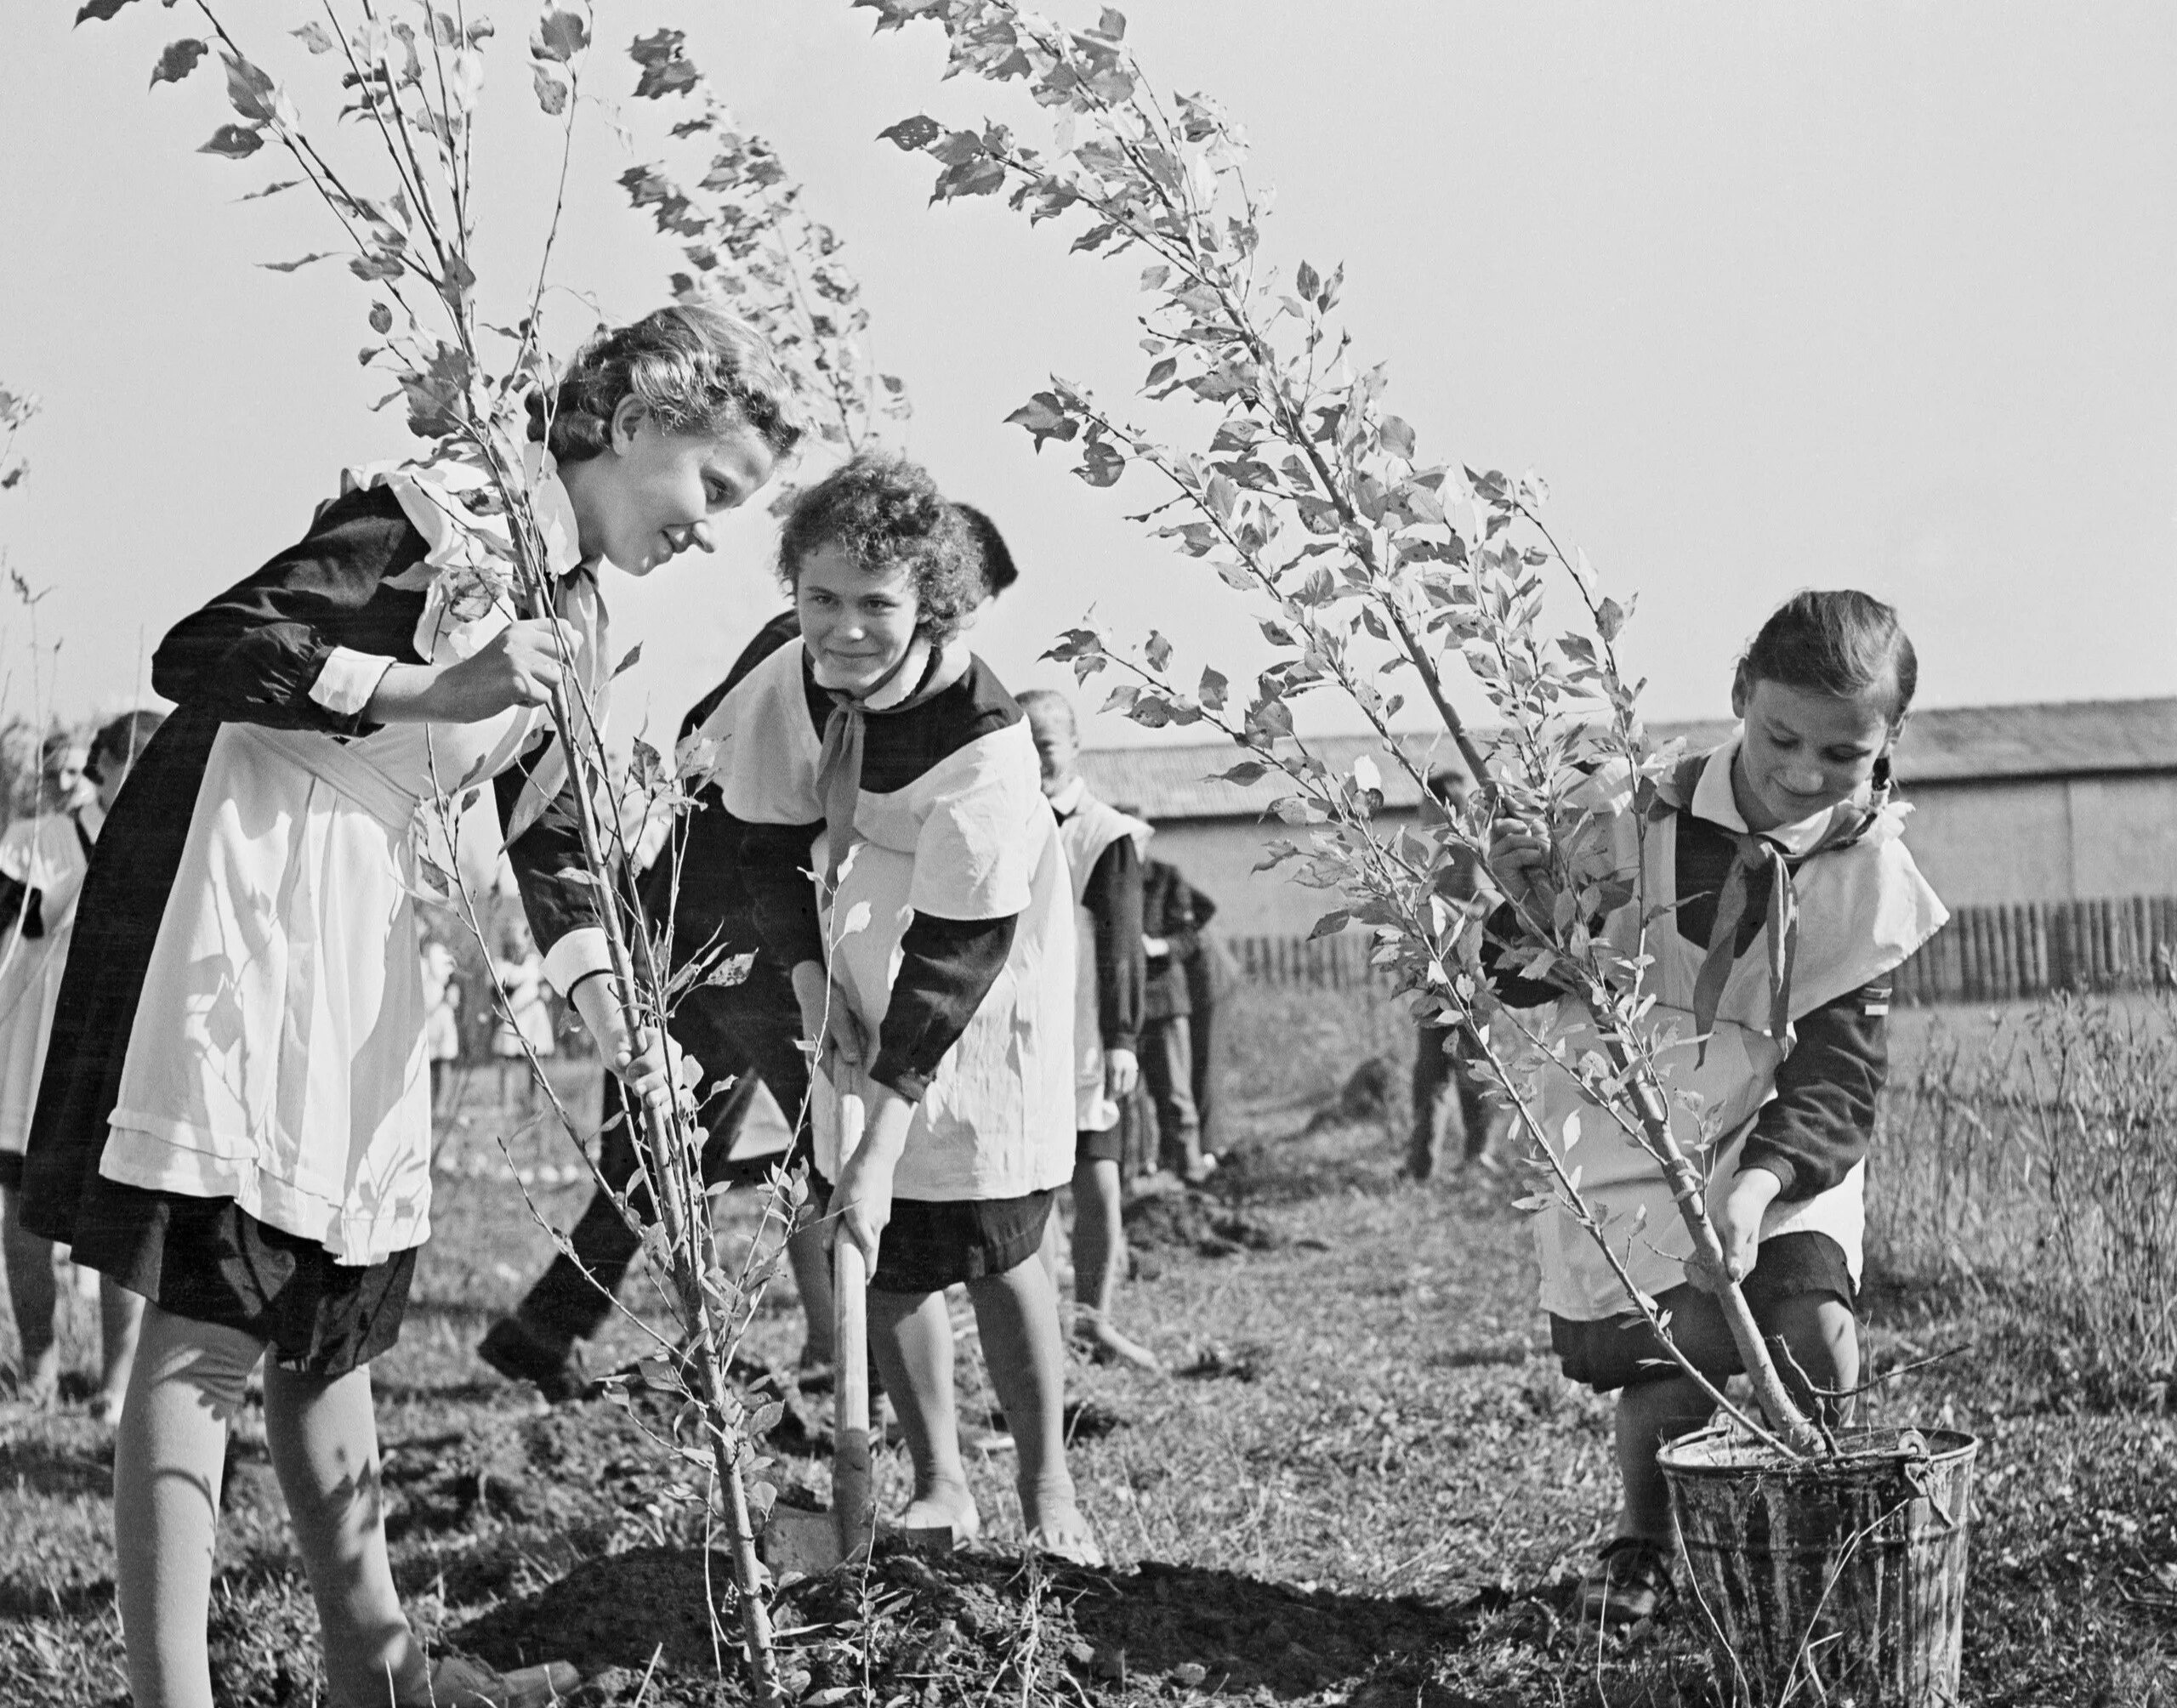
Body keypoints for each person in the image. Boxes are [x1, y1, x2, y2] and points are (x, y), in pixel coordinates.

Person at [18, 304, 799, 1708]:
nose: (711, 529)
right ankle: (165, 1688)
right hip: (246, 892)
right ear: (630, 429)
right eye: (712, 488)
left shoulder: (576, 608)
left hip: (367, 926)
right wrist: (428, 681)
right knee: (214, 1312)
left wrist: (624, 1027)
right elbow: (206, 646)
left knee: (336, 1315)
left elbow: (550, 837)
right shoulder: (442, 518)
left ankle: (374, 1664)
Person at [476, 503, 1020, 1404]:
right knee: (827, 1143)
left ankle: (547, 1328)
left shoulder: (850, 648)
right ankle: (850, 1365)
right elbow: (709, 756)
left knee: (666, 1154)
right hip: (743, 943)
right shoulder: (809, 656)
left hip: (695, 930)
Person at [1486, 589, 1947, 1628]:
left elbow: (1836, 1074)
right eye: (1782, 735)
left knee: (1811, 1321)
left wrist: (1758, 1185)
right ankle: (1646, 1538)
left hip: (1781, 1135)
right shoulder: (1625, 812)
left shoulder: (1866, 868)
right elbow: (1524, 976)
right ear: (1740, 694)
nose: (1804, 771)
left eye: (1842, 752)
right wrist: (1525, 911)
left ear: (1887, 743)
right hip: (1636, 1112)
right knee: (1678, 1348)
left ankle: (1816, 1536)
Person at [706, 453, 1098, 1563]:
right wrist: (809, 997)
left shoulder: (984, 744)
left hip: (981, 982)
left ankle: (1047, 1488)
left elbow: (955, 960)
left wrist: (880, 1136)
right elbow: (769, 841)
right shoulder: (788, 682)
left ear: (934, 602)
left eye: (877, 605)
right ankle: (939, 1482)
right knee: (890, 1251)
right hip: (849, 957)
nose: (844, 629)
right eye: (819, 599)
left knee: (990, 1222)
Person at [0, 716, 161, 1421]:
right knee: (26, 1207)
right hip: (35, 1051)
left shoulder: (170, 842)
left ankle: (115, 1381)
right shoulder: (38, 840)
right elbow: (15, 934)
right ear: (103, 766)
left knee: (119, 1211)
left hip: (124, 1046)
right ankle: (38, 1365)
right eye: (136, 762)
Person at [1017, 690, 1157, 1371]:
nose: (1037, 755)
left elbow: (1122, 945)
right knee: (1028, 1188)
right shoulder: (1003, 820)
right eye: (1023, 743)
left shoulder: (1105, 832)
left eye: (1046, 742)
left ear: (1074, 745)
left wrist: (1123, 1036)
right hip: (1013, 1031)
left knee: (1096, 1175)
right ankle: (1044, 1331)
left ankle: (1094, 1321)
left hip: (1079, 1030)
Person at [1407, 766, 1499, 1180]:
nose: (1419, 809)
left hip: (1467, 981)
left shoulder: (1469, 852)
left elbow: (1489, 907)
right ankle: (1420, 1165)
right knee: (1429, 1074)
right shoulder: (1442, 853)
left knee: (1472, 1074)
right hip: (1437, 978)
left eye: (1425, 801)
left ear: (1443, 805)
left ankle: (1477, 1158)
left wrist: (1441, 909)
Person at [1137, 854, 1218, 1183]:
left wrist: (1159, 947)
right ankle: (1144, 1173)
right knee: (1131, 1099)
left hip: (1166, 1001)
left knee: (1176, 1094)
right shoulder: (1112, 877)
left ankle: (1192, 1172)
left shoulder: (1165, 876)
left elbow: (1189, 935)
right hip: (1127, 1004)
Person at [488, 917, 555, 1114]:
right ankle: (506, 1103)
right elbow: (497, 993)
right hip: (512, 1017)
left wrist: (545, 994)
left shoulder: (535, 965)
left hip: (533, 1015)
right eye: (511, 947)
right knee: (506, 1060)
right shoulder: (501, 967)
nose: (516, 951)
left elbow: (546, 988)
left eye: (519, 946)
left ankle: (535, 1102)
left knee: (536, 1060)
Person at [419, 933, 463, 1118]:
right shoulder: (416, 959)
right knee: (428, 1061)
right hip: (424, 1017)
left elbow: (453, 978)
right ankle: (428, 1106)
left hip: (442, 1013)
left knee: (444, 1060)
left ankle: (441, 1105)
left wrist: (452, 990)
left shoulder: (440, 955)